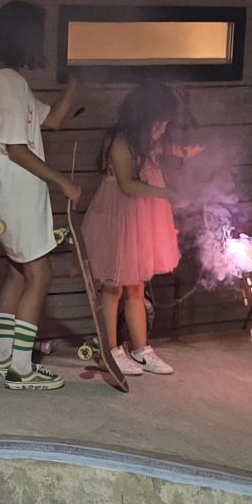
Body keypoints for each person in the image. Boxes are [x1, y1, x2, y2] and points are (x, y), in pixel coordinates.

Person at [0, 0, 83, 389]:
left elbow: (52, 119)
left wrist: (74, 83)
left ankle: (3, 356)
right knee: (41, 272)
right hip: (16, 196)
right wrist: (62, 181)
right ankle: (21, 367)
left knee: (18, 273)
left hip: (8, 196)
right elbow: (16, 148)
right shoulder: (7, 82)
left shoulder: (7, 80)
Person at [80, 81, 192, 378]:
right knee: (113, 285)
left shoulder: (148, 141)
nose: (163, 128)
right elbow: (128, 185)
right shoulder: (120, 141)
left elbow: (168, 155)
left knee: (136, 285)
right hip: (118, 217)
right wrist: (166, 194)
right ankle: (110, 349)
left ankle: (141, 349)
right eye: (160, 122)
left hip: (141, 217)